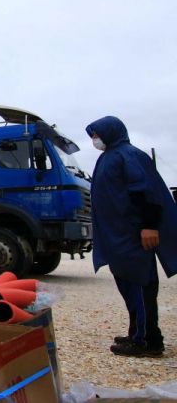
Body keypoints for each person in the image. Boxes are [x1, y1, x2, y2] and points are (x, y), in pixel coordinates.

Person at [86, 116, 177, 358]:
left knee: (140, 285)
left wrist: (149, 226)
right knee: (128, 285)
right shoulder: (108, 157)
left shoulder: (129, 155)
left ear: (111, 131)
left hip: (133, 236)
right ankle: (136, 332)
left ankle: (148, 341)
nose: (95, 139)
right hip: (118, 237)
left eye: (97, 134)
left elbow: (146, 193)